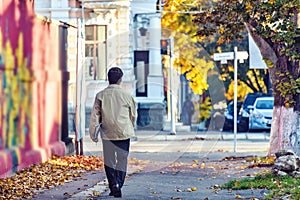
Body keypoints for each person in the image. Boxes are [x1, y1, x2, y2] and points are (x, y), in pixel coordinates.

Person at [89, 67, 137, 198]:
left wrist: (93, 133)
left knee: (109, 161)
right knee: (122, 159)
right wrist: (130, 126)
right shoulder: (127, 96)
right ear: (120, 80)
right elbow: (133, 115)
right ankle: (118, 184)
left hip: (107, 133)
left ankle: (113, 184)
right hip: (123, 132)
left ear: (108, 79)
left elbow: (95, 116)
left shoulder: (100, 95)